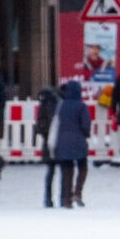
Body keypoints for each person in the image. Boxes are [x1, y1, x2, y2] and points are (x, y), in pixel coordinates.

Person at [51, 80, 91, 208]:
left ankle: (66, 200)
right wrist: (86, 134)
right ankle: (77, 192)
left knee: (67, 171)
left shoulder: (61, 105)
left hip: (62, 141)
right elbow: (86, 125)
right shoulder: (81, 106)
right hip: (78, 141)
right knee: (83, 167)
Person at [34, 85, 60, 207]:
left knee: (50, 171)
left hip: (48, 143)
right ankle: (63, 197)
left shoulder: (43, 106)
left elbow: (40, 125)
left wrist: (45, 133)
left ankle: (47, 198)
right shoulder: (59, 104)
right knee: (65, 171)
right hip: (60, 142)